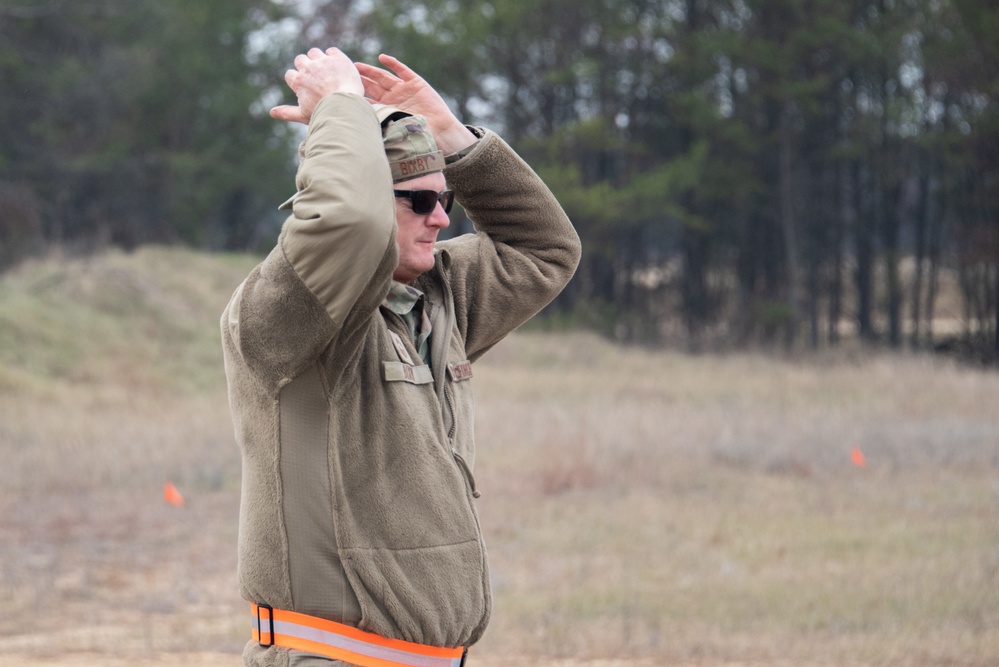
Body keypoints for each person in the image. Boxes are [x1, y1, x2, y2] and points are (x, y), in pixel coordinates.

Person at [221, 47, 581, 667]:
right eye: (417, 201)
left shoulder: (436, 298)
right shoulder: (285, 311)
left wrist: (452, 140)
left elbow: (545, 248)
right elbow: (351, 224)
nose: (441, 219)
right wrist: (341, 107)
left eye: (446, 200)